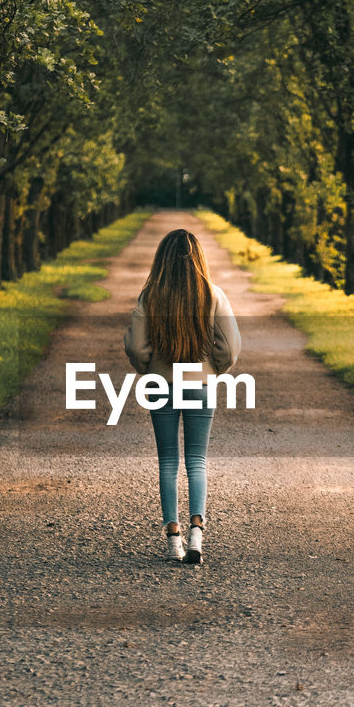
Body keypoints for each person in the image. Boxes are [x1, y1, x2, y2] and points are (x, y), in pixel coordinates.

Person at [124, 228, 242, 564]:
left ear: (161, 259)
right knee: (196, 461)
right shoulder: (213, 295)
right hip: (199, 385)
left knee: (168, 461)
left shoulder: (151, 296)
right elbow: (230, 348)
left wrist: (149, 368)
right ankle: (196, 536)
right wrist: (213, 370)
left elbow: (136, 345)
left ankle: (172, 539)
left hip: (162, 383)